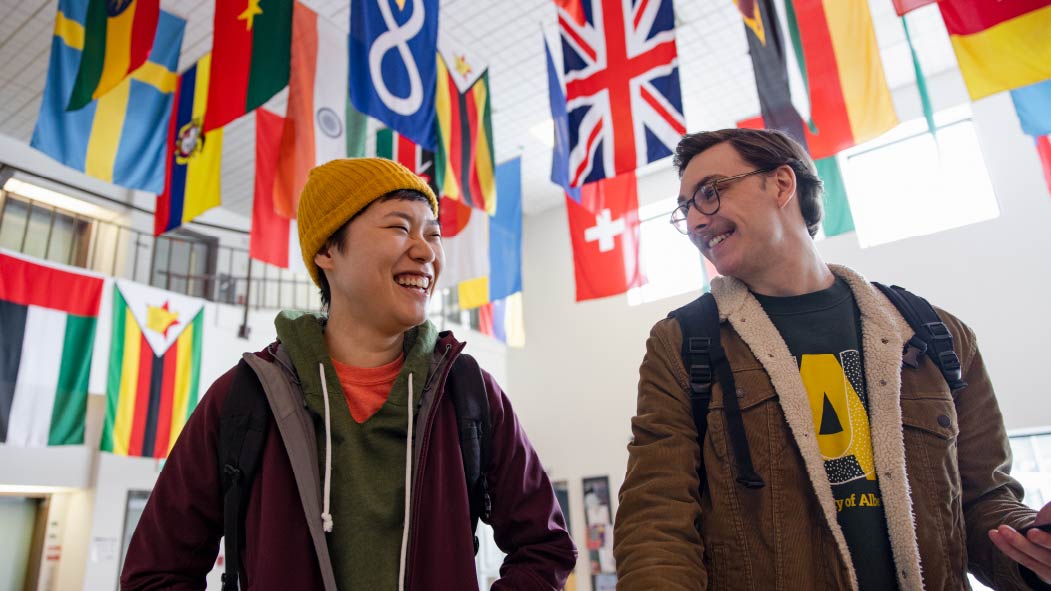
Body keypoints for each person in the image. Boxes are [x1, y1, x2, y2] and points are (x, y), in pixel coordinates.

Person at [613, 128, 1051, 590]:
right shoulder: (683, 342)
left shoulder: (936, 334)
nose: (697, 221)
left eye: (709, 193)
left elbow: (984, 499)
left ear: (782, 184)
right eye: (686, 209)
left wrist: (1032, 546)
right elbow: (657, 520)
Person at [122, 158, 577, 590]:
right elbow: (154, 572)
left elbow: (545, 545)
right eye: (400, 227)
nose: (425, 252)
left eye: (433, 234)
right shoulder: (246, 398)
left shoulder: (468, 392)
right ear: (325, 250)